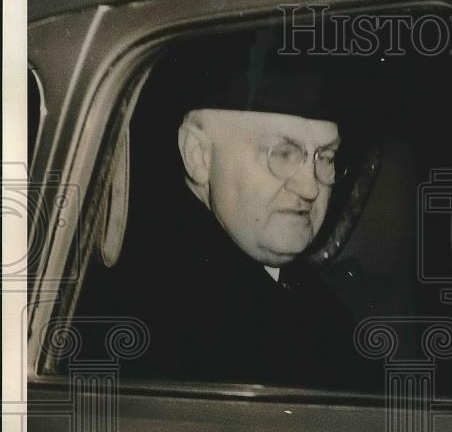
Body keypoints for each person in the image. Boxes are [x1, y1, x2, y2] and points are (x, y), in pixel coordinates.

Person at [89, 31, 375, 389]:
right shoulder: (168, 322)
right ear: (199, 156)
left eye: (326, 157)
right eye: (282, 154)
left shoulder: (290, 282)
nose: (311, 186)